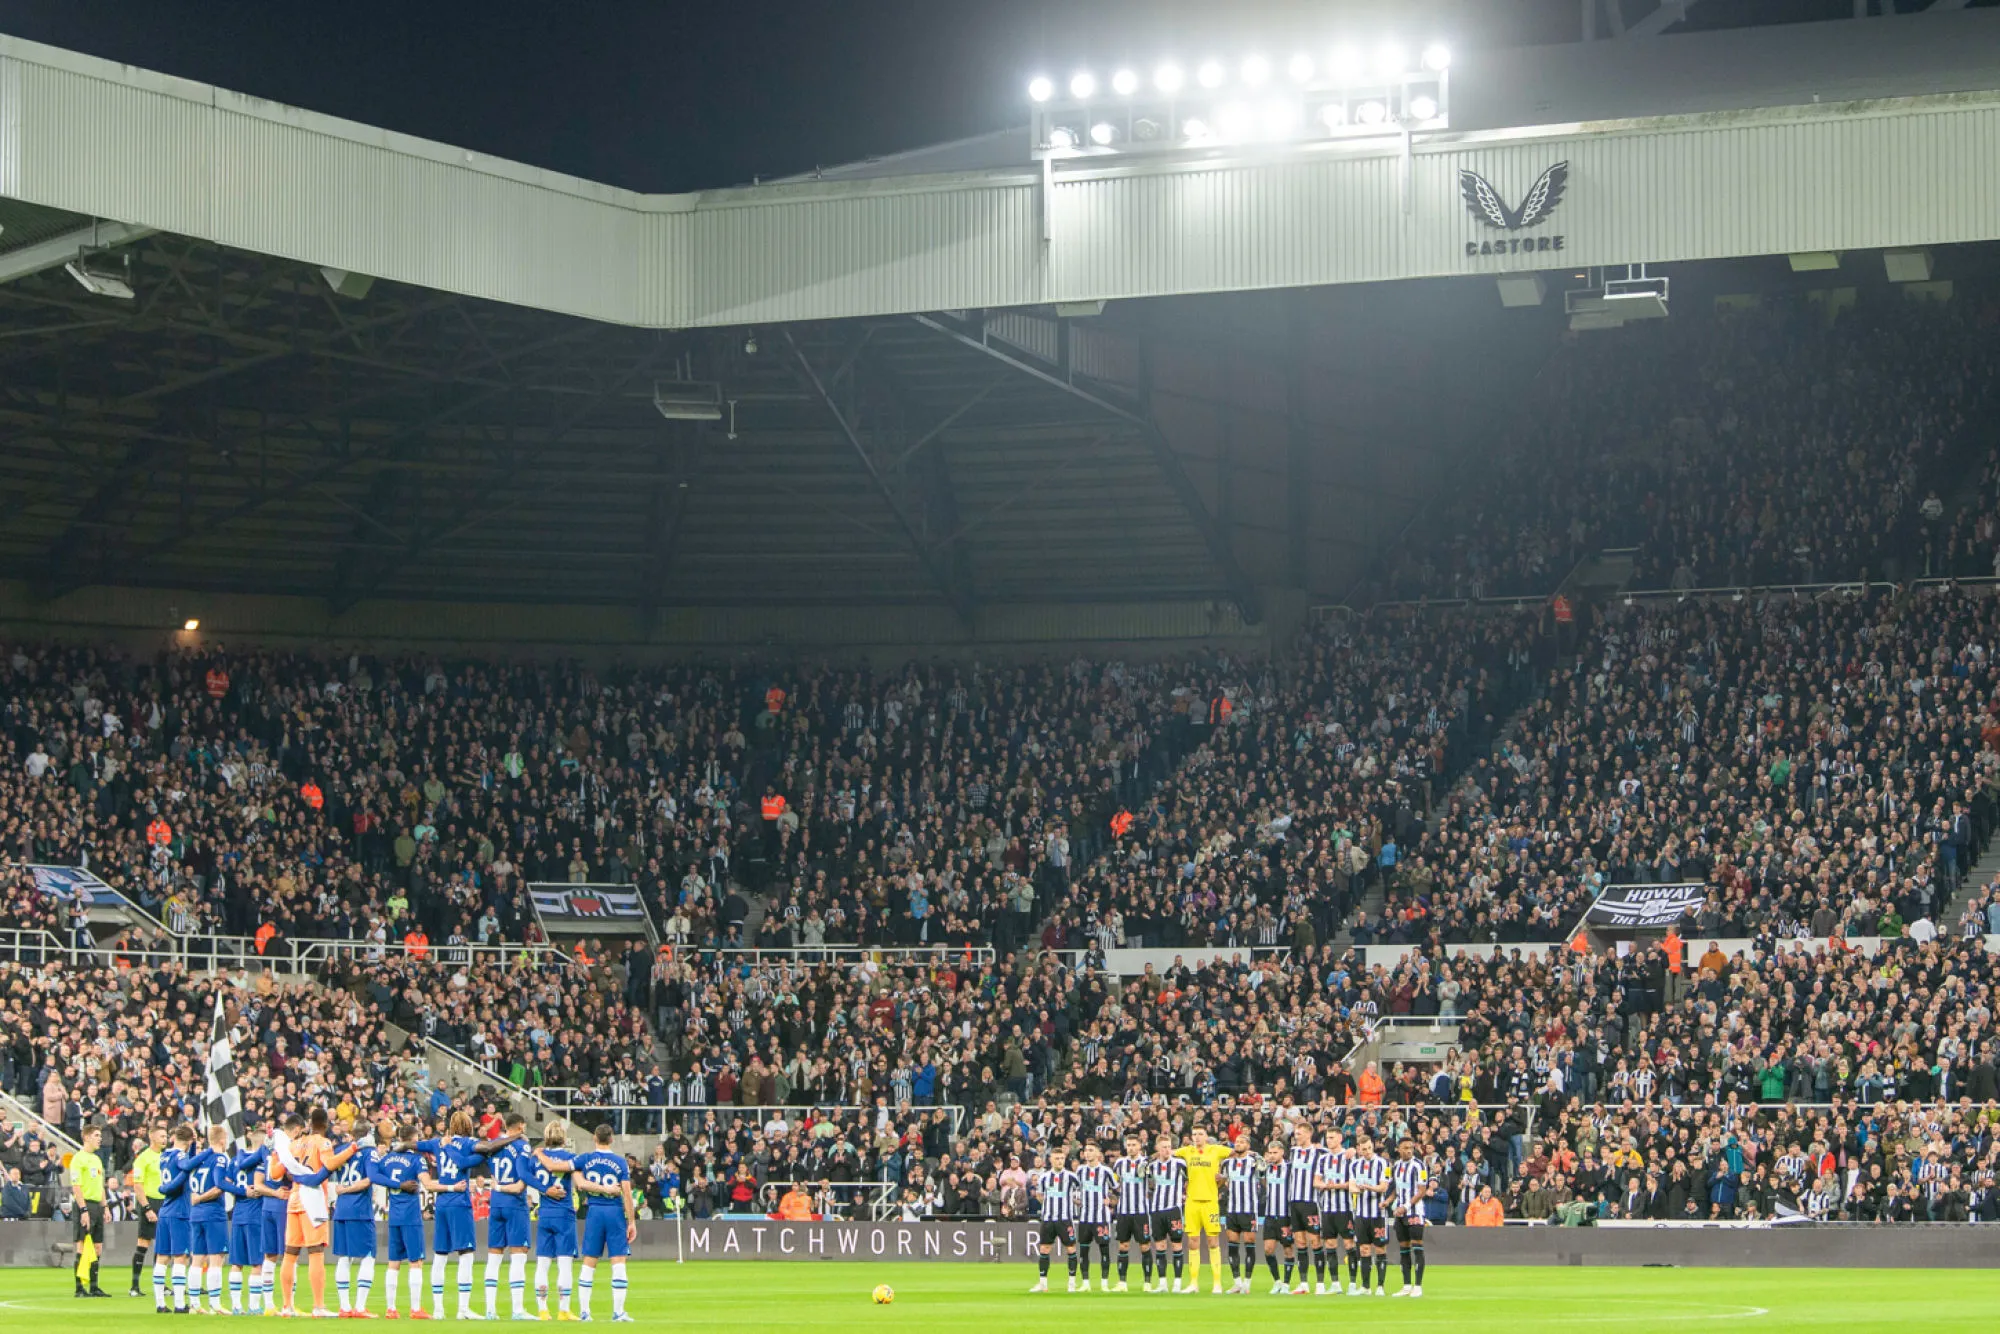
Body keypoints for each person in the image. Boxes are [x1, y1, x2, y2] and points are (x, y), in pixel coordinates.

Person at [570, 1123, 636, 1322]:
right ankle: (618, 1312)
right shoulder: (620, 1162)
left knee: (589, 1262)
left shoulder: (585, 1159)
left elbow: (570, 1169)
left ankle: (584, 1312)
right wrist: (631, 1221)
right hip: (615, 1212)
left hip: (594, 1212)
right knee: (618, 1261)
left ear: (594, 1138)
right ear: (612, 1139)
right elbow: (627, 1193)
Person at [277, 1108, 336, 1318]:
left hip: (294, 1199)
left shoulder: (294, 1144)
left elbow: (280, 1173)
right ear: (326, 1124)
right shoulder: (324, 1143)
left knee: (290, 1253)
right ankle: (319, 1306)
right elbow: (329, 1166)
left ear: (309, 1123)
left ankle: (286, 1306)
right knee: (316, 1252)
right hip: (313, 1200)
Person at [367, 1121, 428, 1319]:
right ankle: (415, 1308)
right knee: (415, 1261)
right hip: (411, 1216)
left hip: (393, 1216)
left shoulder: (386, 1160)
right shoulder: (417, 1160)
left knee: (393, 1262)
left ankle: (391, 1308)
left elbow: (374, 1176)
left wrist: (396, 1184)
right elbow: (424, 1180)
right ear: (414, 1139)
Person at [482, 1115, 535, 1321]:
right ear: (521, 1126)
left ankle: (490, 1310)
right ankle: (518, 1309)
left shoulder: (494, 1146)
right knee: (518, 1255)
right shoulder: (522, 1147)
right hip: (515, 1204)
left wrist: (497, 1187)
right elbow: (521, 1184)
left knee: (494, 1256)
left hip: (496, 1204)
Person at [329, 1112, 380, 1317]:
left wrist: (342, 1189)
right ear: (369, 1133)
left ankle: (344, 1307)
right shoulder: (370, 1152)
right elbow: (369, 1180)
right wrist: (349, 1188)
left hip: (341, 1209)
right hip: (360, 1210)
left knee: (344, 1257)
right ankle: (359, 1307)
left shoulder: (342, 1150)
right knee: (368, 1256)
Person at [528, 1124, 578, 1320]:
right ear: (564, 1138)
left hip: (545, 1213)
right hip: (564, 1213)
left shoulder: (535, 1160)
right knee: (564, 1264)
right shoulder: (570, 1158)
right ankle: (564, 1310)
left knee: (542, 1263)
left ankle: (542, 1309)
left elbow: (528, 1178)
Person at [1172, 1125, 1229, 1294]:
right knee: (1193, 1242)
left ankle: (1217, 1283)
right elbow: (1168, 1153)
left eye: (1200, 1134)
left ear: (1206, 1136)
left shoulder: (1216, 1150)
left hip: (1210, 1202)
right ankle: (1193, 1283)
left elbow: (1236, 1154)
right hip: (1192, 1203)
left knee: (1213, 1242)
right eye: (1194, 1134)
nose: (1197, 1137)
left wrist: (1224, 1176)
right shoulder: (1187, 1151)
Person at [220, 1131, 268, 1314]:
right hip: (255, 1214)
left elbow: (224, 1184)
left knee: (237, 1263)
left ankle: (236, 1306)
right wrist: (247, 1191)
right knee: (257, 1262)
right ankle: (254, 1306)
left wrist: (240, 1191)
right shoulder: (262, 1161)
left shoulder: (235, 1160)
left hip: (238, 1214)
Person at [186, 1125, 232, 1314]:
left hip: (195, 1214)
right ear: (222, 1140)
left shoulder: (198, 1160)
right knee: (216, 1259)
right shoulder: (220, 1158)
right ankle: (215, 1303)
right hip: (213, 1213)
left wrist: (196, 1198)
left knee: (196, 1260)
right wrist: (202, 1197)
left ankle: (195, 1304)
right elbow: (218, 1188)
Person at [67, 1123, 111, 1298]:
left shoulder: (96, 1159)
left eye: (100, 1135)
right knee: (81, 1245)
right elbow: (76, 1187)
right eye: (96, 1135)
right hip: (84, 1205)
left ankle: (94, 1286)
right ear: (86, 1137)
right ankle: (79, 1288)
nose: (99, 1138)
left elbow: (100, 1186)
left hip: (97, 1206)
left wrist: (105, 1207)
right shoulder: (78, 1159)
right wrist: (83, 1209)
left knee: (98, 1247)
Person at [155, 1123, 195, 1314]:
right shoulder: (181, 1156)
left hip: (164, 1211)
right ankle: (180, 1304)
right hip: (179, 1211)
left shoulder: (164, 1155)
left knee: (162, 1257)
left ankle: (160, 1304)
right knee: (180, 1257)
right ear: (188, 1142)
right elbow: (185, 1166)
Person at [1027, 1146, 1077, 1294]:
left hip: (1065, 1218)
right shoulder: (1044, 1177)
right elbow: (1040, 1195)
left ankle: (1072, 1283)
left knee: (1071, 1248)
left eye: (1062, 1158)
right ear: (1051, 1160)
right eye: (1057, 1158)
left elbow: (1078, 1192)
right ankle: (1043, 1283)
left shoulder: (1071, 1177)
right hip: (1048, 1218)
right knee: (1044, 1248)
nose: (1059, 1161)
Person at [1218, 1133, 1261, 1295]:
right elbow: (1223, 1180)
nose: (1238, 1144)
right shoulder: (1228, 1163)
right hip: (1232, 1209)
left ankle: (1247, 1283)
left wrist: (1256, 1154)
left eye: (1242, 1142)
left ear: (1248, 1146)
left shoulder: (1253, 1161)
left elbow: (1263, 1173)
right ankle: (1237, 1282)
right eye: (1237, 1141)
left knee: (1249, 1242)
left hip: (1249, 1209)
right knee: (1232, 1243)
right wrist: (1219, 1180)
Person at [1347, 1134, 1390, 1296]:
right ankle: (1365, 1286)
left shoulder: (1383, 1163)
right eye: (1363, 1149)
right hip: (1361, 1213)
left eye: (1369, 1148)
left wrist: (1368, 1187)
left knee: (1380, 1248)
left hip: (1378, 1213)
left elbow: (1384, 1187)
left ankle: (1380, 1286)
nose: (1367, 1152)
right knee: (1364, 1250)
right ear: (1359, 1149)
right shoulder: (1355, 1165)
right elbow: (1351, 1186)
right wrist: (1358, 1189)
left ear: (1373, 1146)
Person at [127, 1123, 166, 1299]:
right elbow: (137, 1185)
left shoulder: (166, 1157)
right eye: (161, 1136)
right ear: (152, 1138)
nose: (164, 1139)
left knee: (163, 1245)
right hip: (150, 1202)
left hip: (165, 1202)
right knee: (144, 1243)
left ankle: (161, 1284)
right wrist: (147, 1207)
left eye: (166, 1136)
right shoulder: (143, 1158)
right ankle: (134, 1286)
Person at [1284, 1123, 1324, 1295]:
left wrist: (1350, 1151)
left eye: (1299, 1133)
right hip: (1294, 1202)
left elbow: (1339, 1154)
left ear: (1309, 1134)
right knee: (1300, 1242)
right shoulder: (1293, 1151)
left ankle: (1320, 1283)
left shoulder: (1320, 1153)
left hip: (1311, 1202)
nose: (1296, 1136)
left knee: (1315, 1241)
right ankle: (1303, 1283)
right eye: (1295, 1133)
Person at [1145, 1135, 1187, 1294]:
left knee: (1177, 1245)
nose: (1166, 1150)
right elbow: (1146, 1181)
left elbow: (1190, 1179)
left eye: (1169, 1146)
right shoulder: (1152, 1166)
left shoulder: (1180, 1164)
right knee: (1160, 1246)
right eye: (1163, 1147)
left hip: (1173, 1210)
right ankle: (1162, 1283)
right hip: (1156, 1210)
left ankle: (1177, 1283)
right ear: (1157, 1149)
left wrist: (1186, 1194)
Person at [1390, 1138, 1431, 1298]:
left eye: (1411, 1148)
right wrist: (1388, 1202)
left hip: (1414, 1212)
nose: (1408, 1150)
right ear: (1398, 1149)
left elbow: (1422, 1190)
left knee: (1417, 1248)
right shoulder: (1396, 1166)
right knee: (1404, 1249)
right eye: (1405, 1148)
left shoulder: (1419, 1165)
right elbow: (1395, 1189)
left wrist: (1405, 1207)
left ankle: (1418, 1286)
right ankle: (1406, 1285)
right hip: (1400, 1213)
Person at [1071, 1143, 1115, 1292]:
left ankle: (1104, 1283)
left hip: (1101, 1218)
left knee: (1104, 1249)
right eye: (1086, 1151)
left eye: (1091, 1150)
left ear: (1098, 1153)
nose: (1087, 1153)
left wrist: (1110, 1200)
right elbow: (1074, 1189)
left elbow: (1116, 1190)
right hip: (1084, 1218)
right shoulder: (1080, 1171)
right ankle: (1085, 1283)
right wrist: (1077, 1200)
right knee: (1083, 1250)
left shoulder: (1106, 1171)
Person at [1257, 1140, 1294, 1296]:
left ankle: (1286, 1283)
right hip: (1270, 1215)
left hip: (1286, 1215)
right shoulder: (1267, 1168)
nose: (1272, 1156)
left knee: (1288, 1249)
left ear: (1282, 1152)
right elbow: (1265, 1184)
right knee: (1268, 1249)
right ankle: (1277, 1281)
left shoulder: (1290, 1168)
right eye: (1270, 1153)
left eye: (1275, 1153)